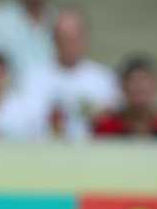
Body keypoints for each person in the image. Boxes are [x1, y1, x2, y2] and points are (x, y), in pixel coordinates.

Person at [27, 8, 122, 140]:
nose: (68, 44)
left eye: (74, 38)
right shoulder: (33, 77)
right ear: (53, 39)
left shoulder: (103, 78)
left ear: (85, 38)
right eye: (63, 38)